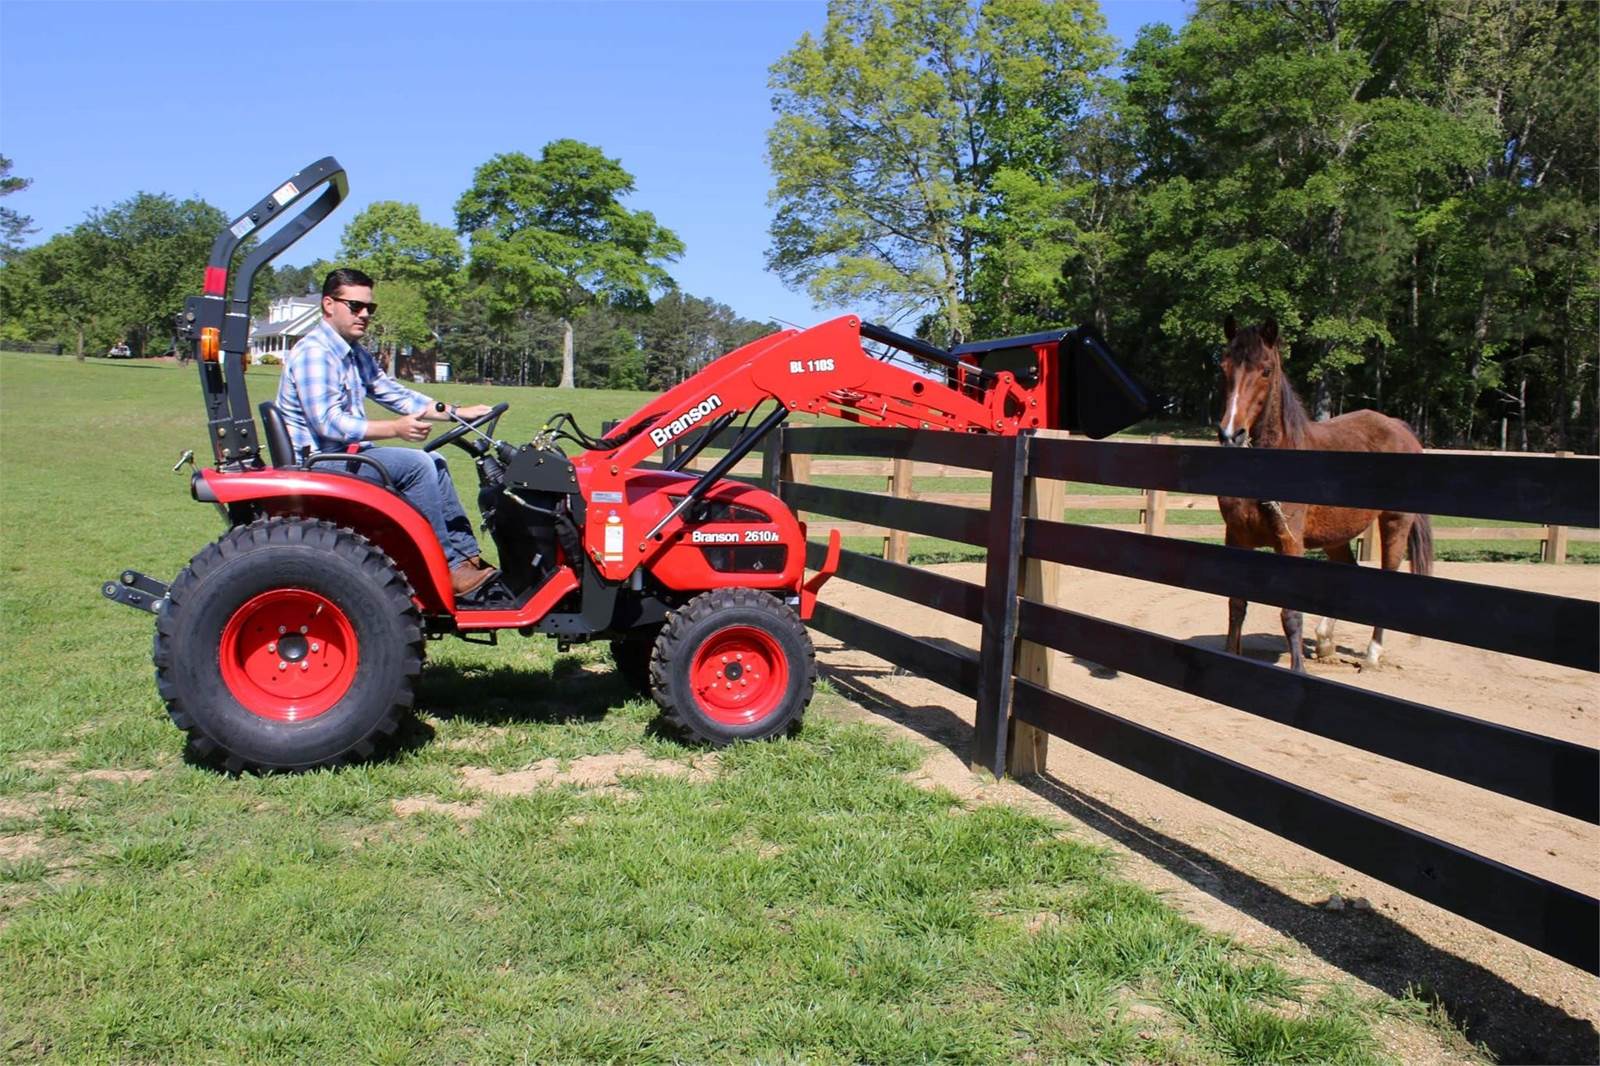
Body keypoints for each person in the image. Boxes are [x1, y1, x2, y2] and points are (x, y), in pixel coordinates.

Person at [276, 267, 499, 597]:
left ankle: (466, 560)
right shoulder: (315, 353)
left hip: (344, 458)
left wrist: (455, 413)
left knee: (434, 462)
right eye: (355, 306)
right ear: (328, 304)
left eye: (370, 308)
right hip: (320, 464)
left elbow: (394, 393)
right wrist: (394, 428)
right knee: (417, 465)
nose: (364, 315)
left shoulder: (352, 353)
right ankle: (445, 568)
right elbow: (328, 422)